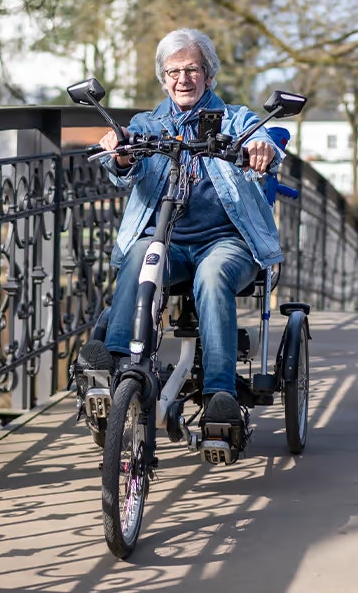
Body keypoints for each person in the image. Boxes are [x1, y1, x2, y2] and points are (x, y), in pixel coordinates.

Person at [81, 27, 284, 428]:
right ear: (163, 79)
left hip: (227, 243)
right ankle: (118, 369)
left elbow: (265, 144)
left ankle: (220, 396)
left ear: (209, 74)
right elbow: (122, 165)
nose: (182, 79)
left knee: (211, 275)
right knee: (140, 254)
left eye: (191, 69)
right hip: (167, 242)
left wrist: (261, 149)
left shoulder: (237, 118)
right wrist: (118, 151)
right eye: (173, 72)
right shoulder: (148, 123)